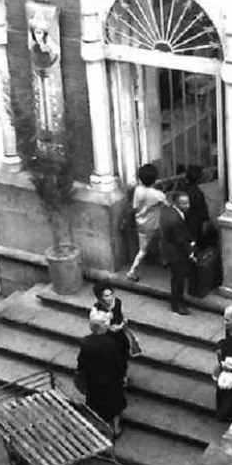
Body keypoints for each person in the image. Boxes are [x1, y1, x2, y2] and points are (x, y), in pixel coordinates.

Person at [77, 309, 128, 438]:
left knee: (95, 402)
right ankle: (116, 428)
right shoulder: (112, 344)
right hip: (111, 380)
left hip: (93, 380)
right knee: (115, 404)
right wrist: (123, 376)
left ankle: (96, 426)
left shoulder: (86, 343)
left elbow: (81, 362)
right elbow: (118, 363)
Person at [126, 164, 169, 282]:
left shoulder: (138, 190)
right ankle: (163, 260)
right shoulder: (158, 195)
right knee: (160, 241)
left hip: (141, 224)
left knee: (144, 249)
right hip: (154, 224)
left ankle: (133, 270)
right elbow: (167, 205)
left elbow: (134, 207)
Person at [161, 192, 197, 316]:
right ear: (177, 203)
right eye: (184, 203)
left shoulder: (171, 212)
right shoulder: (174, 220)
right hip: (175, 254)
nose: (187, 206)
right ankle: (177, 305)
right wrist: (190, 253)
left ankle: (178, 301)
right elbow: (180, 240)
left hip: (172, 249)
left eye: (187, 202)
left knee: (177, 279)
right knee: (178, 280)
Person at [179, 165, 213, 248]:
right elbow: (202, 210)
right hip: (194, 223)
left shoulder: (181, 189)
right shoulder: (197, 192)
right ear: (199, 178)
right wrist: (206, 220)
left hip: (182, 222)